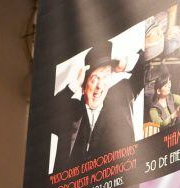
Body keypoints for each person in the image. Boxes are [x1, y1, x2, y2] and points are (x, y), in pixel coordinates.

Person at [52, 42, 148, 170]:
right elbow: (44, 117)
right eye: (94, 79)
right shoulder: (70, 112)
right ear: (83, 85)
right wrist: (73, 86)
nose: (99, 86)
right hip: (75, 187)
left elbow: (146, 67)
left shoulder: (121, 96)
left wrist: (122, 65)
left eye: (105, 77)